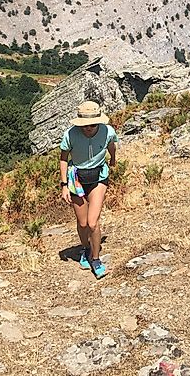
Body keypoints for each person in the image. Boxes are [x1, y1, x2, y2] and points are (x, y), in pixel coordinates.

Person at [59, 100, 117, 279]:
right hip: (76, 179)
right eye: (85, 125)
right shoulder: (70, 134)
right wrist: (63, 185)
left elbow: (111, 145)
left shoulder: (108, 131)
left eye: (92, 124)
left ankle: (96, 258)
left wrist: (113, 158)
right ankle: (85, 249)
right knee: (82, 223)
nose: (88, 128)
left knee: (93, 222)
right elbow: (63, 157)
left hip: (98, 177)